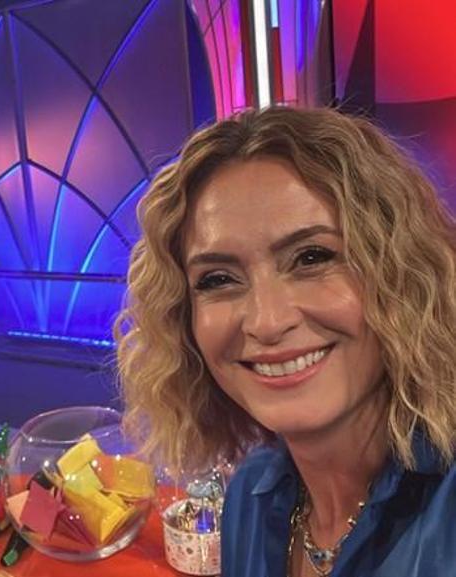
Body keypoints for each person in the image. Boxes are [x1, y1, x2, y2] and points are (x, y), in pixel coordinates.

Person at [116, 106, 456, 576]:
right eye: (217, 279)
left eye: (312, 257)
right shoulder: (249, 496)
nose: (268, 321)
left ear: (402, 274)